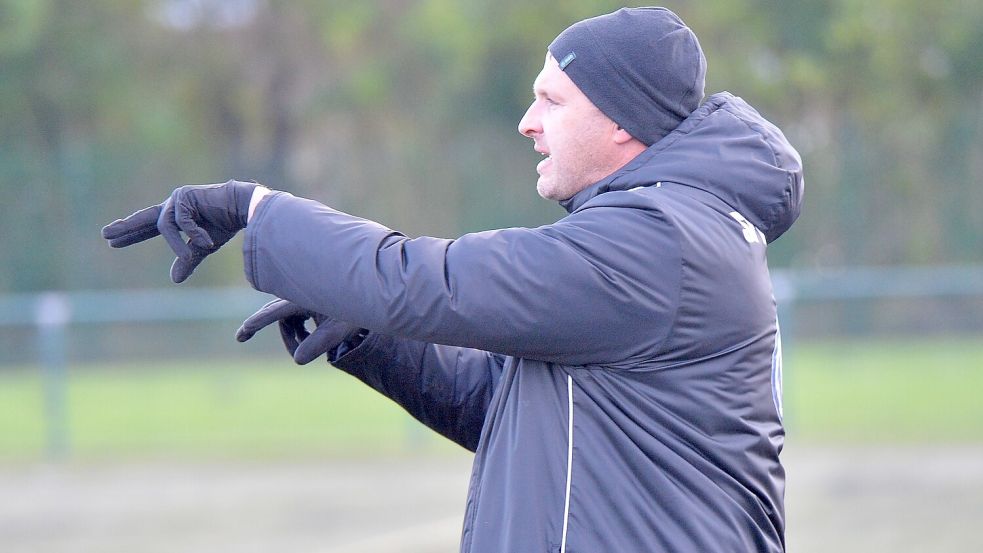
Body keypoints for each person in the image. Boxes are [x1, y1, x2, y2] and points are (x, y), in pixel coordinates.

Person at [103, 7, 803, 552]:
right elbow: (500, 406)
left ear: (622, 121)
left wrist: (252, 208)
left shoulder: (658, 240)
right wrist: (375, 336)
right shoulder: (670, 232)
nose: (528, 123)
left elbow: (429, 280)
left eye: (551, 101)